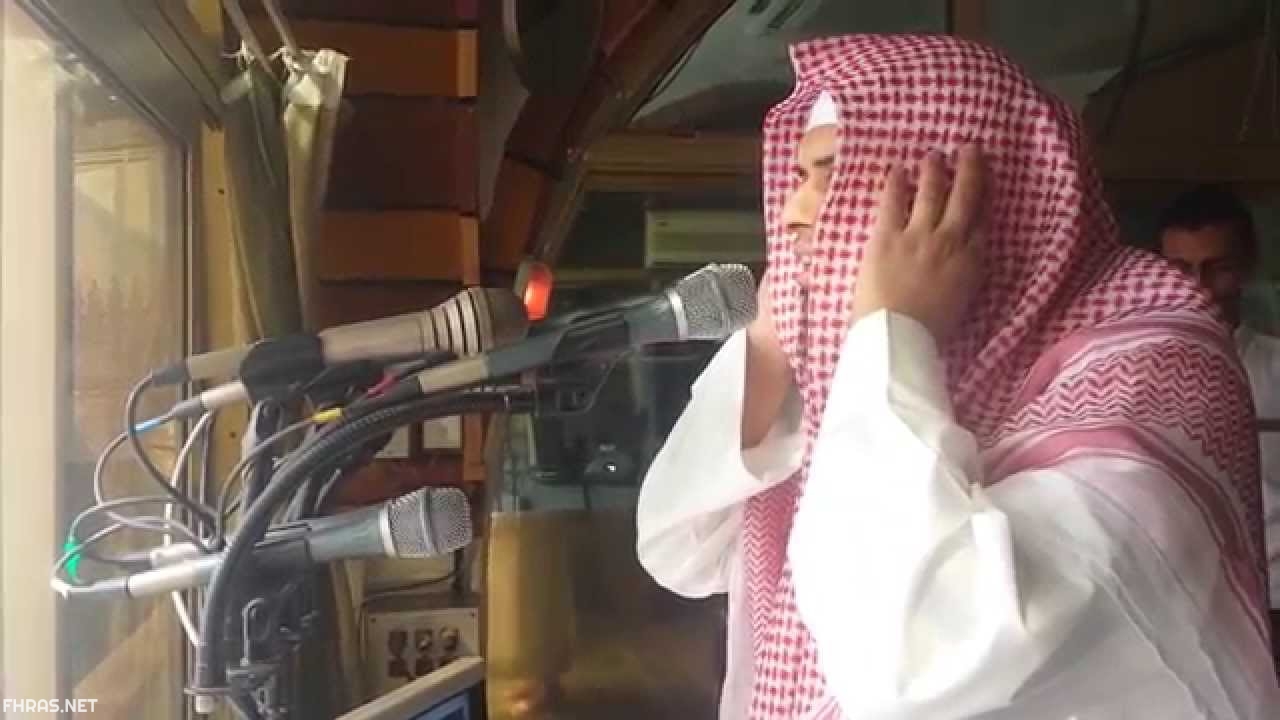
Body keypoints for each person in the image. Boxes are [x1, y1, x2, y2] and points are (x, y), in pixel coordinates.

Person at [636, 35, 1278, 719]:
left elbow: (914, 664)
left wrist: (894, 329)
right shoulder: (850, 372)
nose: (795, 215)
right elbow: (680, 548)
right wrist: (772, 345)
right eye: (797, 178)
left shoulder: (1148, 367)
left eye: (830, 174)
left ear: (958, 198)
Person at [1157, 184, 1280, 648]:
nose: (1199, 287)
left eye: (1218, 268)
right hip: (1173, 601)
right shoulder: (1130, 373)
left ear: (1246, 267)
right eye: (1181, 270)